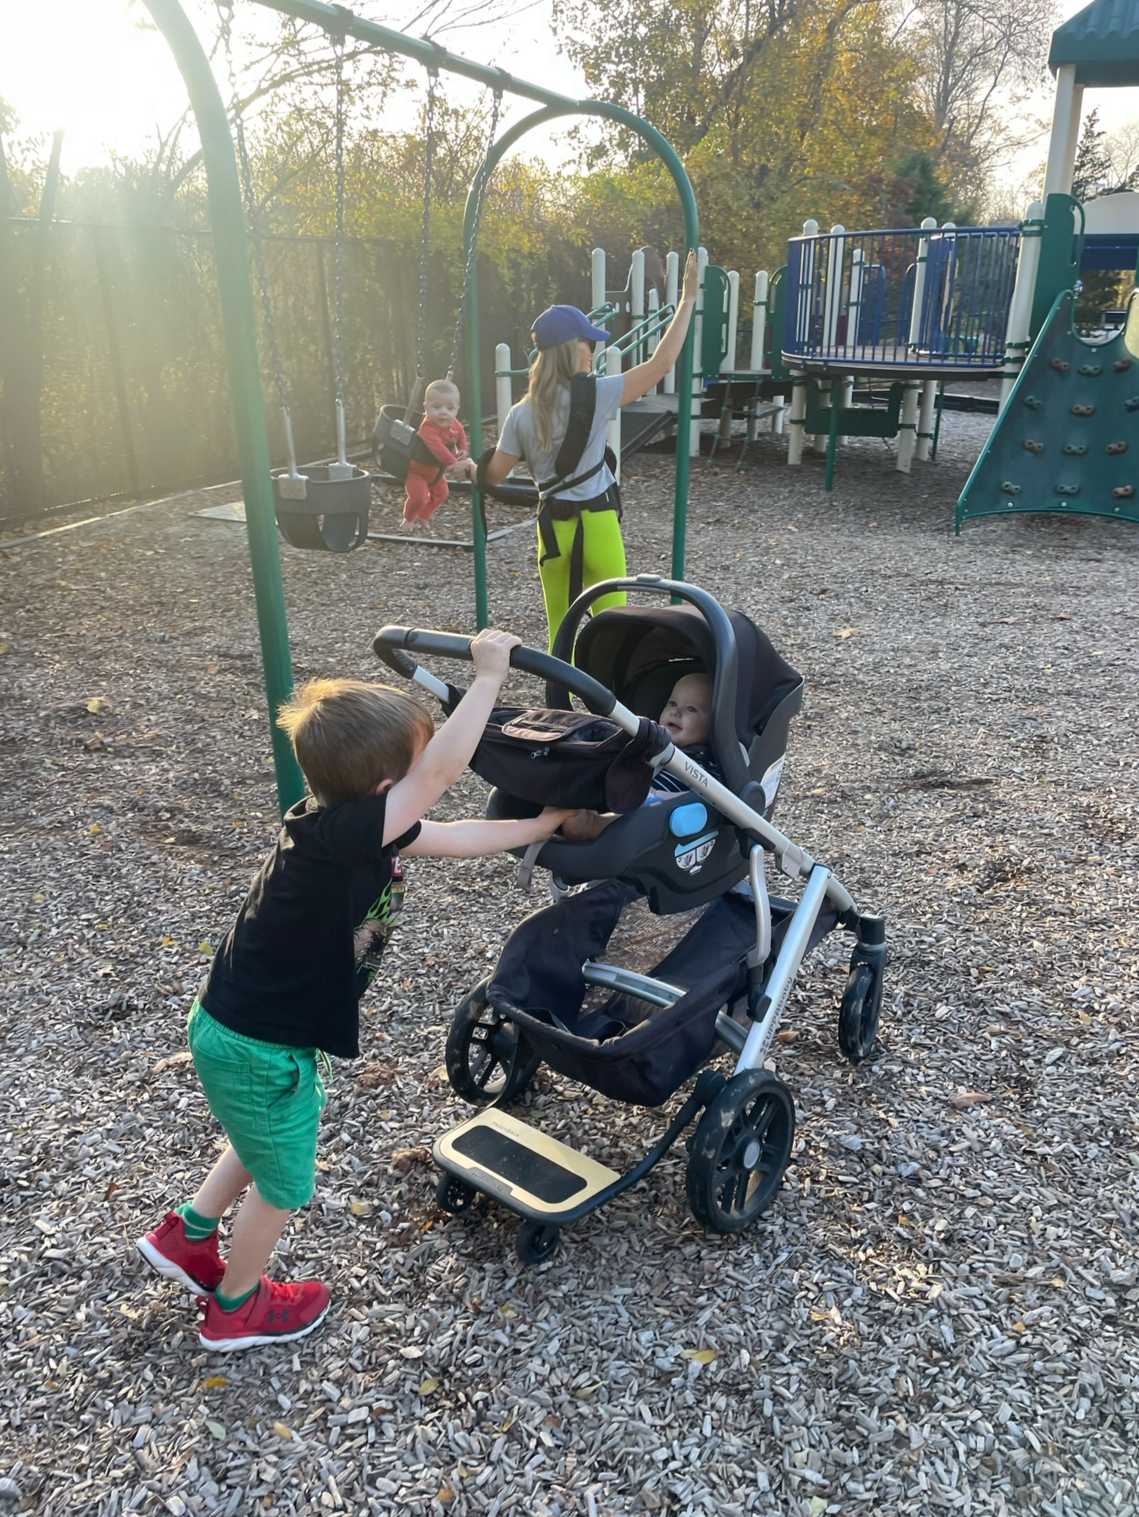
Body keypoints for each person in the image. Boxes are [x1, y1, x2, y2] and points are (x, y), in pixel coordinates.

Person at [137, 631, 578, 1352]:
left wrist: (542, 826)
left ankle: (188, 1234)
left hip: (243, 1027)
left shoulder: (342, 826)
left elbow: (458, 831)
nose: (417, 789)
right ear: (384, 792)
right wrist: (489, 678)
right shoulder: (350, 833)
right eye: (406, 781)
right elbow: (437, 777)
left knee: (261, 1137)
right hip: (260, 1044)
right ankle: (237, 1308)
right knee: (282, 1180)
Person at [481, 250, 701, 648]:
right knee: (615, 631)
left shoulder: (520, 413)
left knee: (558, 635)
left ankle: (558, 705)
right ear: (572, 349)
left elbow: (493, 476)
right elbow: (662, 364)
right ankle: (610, 707)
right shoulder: (598, 394)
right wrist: (687, 300)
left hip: (553, 533)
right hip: (598, 524)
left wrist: (469, 468)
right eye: (589, 344)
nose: (594, 351)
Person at [561, 672, 720, 840]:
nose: (675, 712)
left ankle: (589, 825)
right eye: (672, 703)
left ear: (713, 724)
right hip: (626, 794)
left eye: (691, 709)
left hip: (659, 810)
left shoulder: (711, 766)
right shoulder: (652, 745)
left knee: (644, 813)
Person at [401, 378, 477, 532]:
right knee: (419, 498)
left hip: (436, 472)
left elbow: (461, 433)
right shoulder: (427, 429)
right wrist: (453, 463)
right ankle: (408, 519)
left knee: (442, 493)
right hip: (417, 472)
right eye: (436, 407)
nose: (443, 412)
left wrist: (462, 448)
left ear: (457, 409)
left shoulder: (454, 424)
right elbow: (438, 449)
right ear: (426, 407)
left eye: (450, 408)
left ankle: (423, 515)